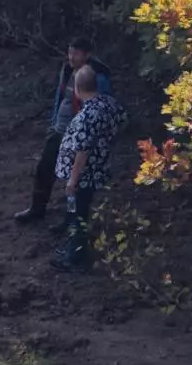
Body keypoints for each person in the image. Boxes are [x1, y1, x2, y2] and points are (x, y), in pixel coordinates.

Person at [22, 39, 114, 223]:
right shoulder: (67, 70)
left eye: (76, 53)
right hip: (59, 130)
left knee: (73, 181)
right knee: (45, 169)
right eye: (70, 52)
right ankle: (37, 209)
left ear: (87, 55)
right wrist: (54, 121)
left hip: (78, 136)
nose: (71, 57)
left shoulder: (97, 77)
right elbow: (61, 97)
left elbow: (100, 108)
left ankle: (69, 219)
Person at [52, 63, 122, 268]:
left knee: (77, 215)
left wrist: (72, 180)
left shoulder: (87, 116)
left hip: (84, 174)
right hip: (98, 167)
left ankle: (75, 258)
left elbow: (81, 152)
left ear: (77, 88)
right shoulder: (109, 104)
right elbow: (122, 122)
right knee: (80, 212)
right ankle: (74, 249)